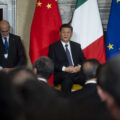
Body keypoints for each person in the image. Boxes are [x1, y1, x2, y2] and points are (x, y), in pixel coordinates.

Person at [48, 24, 86, 94]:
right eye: (63, 32)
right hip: (62, 74)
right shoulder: (53, 47)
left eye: (68, 32)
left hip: (76, 73)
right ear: (60, 33)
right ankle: (65, 103)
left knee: (89, 79)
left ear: (71, 34)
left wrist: (79, 67)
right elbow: (51, 63)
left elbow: (84, 60)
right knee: (67, 79)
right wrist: (65, 69)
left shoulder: (77, 46)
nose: (66, 34)